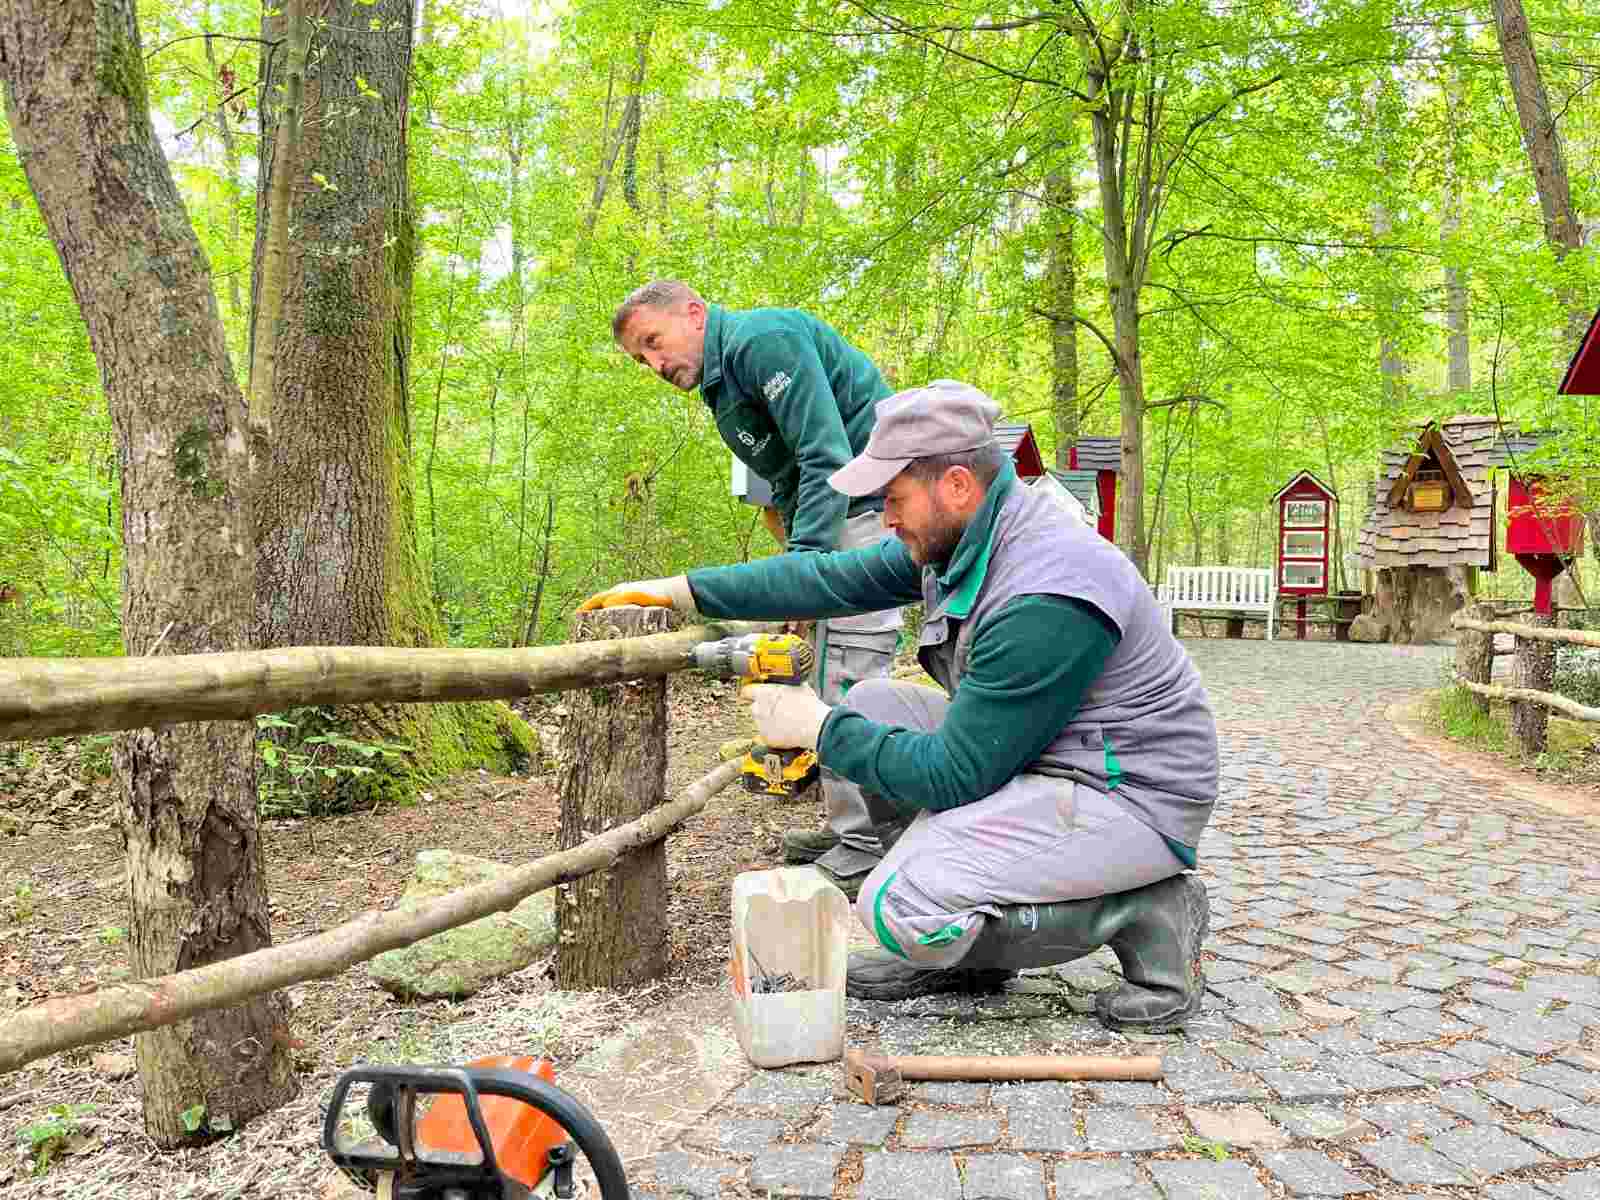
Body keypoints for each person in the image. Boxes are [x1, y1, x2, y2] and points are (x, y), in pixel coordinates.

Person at [578, 380, 1218, 1029]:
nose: (886, 516)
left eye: (894, 498)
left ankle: (1145, 907)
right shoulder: (966, 535)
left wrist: (818, 729)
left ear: (958, 485)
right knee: (876, 703)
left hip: (1129, 796)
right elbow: (827, 577)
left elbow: (956, 773)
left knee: (899, 906)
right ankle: (970, 953)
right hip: (1056, 757)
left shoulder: (1046, 589)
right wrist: (677, 590)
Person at [606, 280, 905, 897]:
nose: (655, 366)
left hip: (872, 509)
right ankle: (850, 826)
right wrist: (796, 567)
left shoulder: (761, 340)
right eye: (642, 359)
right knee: (821, 671)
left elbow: (828, 455)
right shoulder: (724, 384)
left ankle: (871, 847)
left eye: (654, 343)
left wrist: (802, 574)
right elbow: (792, 480)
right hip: (830, 518)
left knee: (851, 674)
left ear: (694, 312)